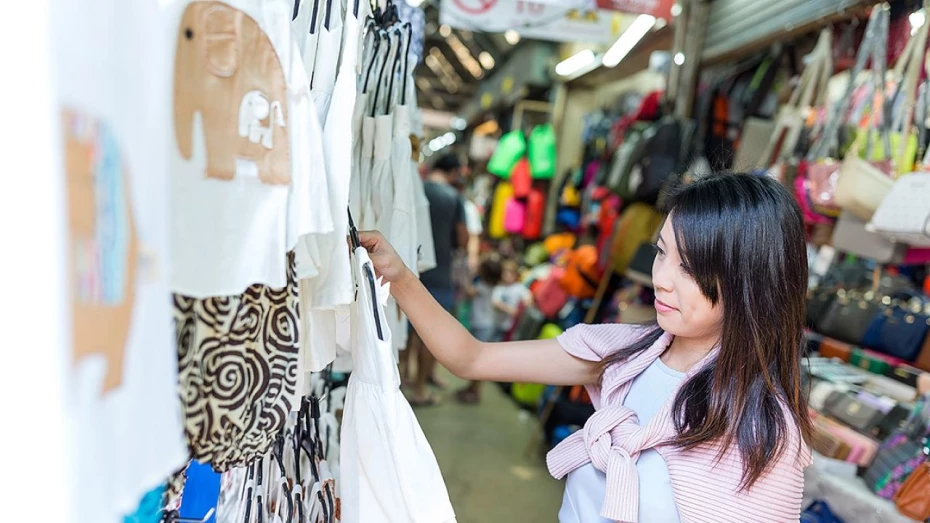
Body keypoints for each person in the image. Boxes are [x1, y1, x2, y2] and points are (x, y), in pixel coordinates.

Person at [360, 173, 813, 522]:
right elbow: (471, 357)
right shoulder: (623, 356)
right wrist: (398, 276)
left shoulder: (763, 428)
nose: (661, 278)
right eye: (661, 253)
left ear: (750, 280)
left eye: (688, 267)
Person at [405, 152, 468, 407]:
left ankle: (402, 378)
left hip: (408, 267)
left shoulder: (413, 187)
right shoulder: (453, 198)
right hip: (440, 273)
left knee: (404, 330)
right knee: (429, 333)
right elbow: (462, 239)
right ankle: (420, 388)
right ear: (453, 173)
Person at [456, 256, 503, 404]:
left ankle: (475, 391)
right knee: (477, 358)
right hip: (484, 324)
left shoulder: (482, 286)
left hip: (482, 325)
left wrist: (469, 276)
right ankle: (471, 388)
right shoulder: (489, 286)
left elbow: (468, 292)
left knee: (477, 360)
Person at [490, 259, 532, 338]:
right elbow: (495, 302)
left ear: (515, 275)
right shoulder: (500, 287)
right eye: (504, 273)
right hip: (497, 324)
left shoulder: (519, 287)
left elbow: (528, 297)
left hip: (511, 326)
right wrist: (509, 309)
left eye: (509, 273)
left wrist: (526, 302)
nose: (506, 276)